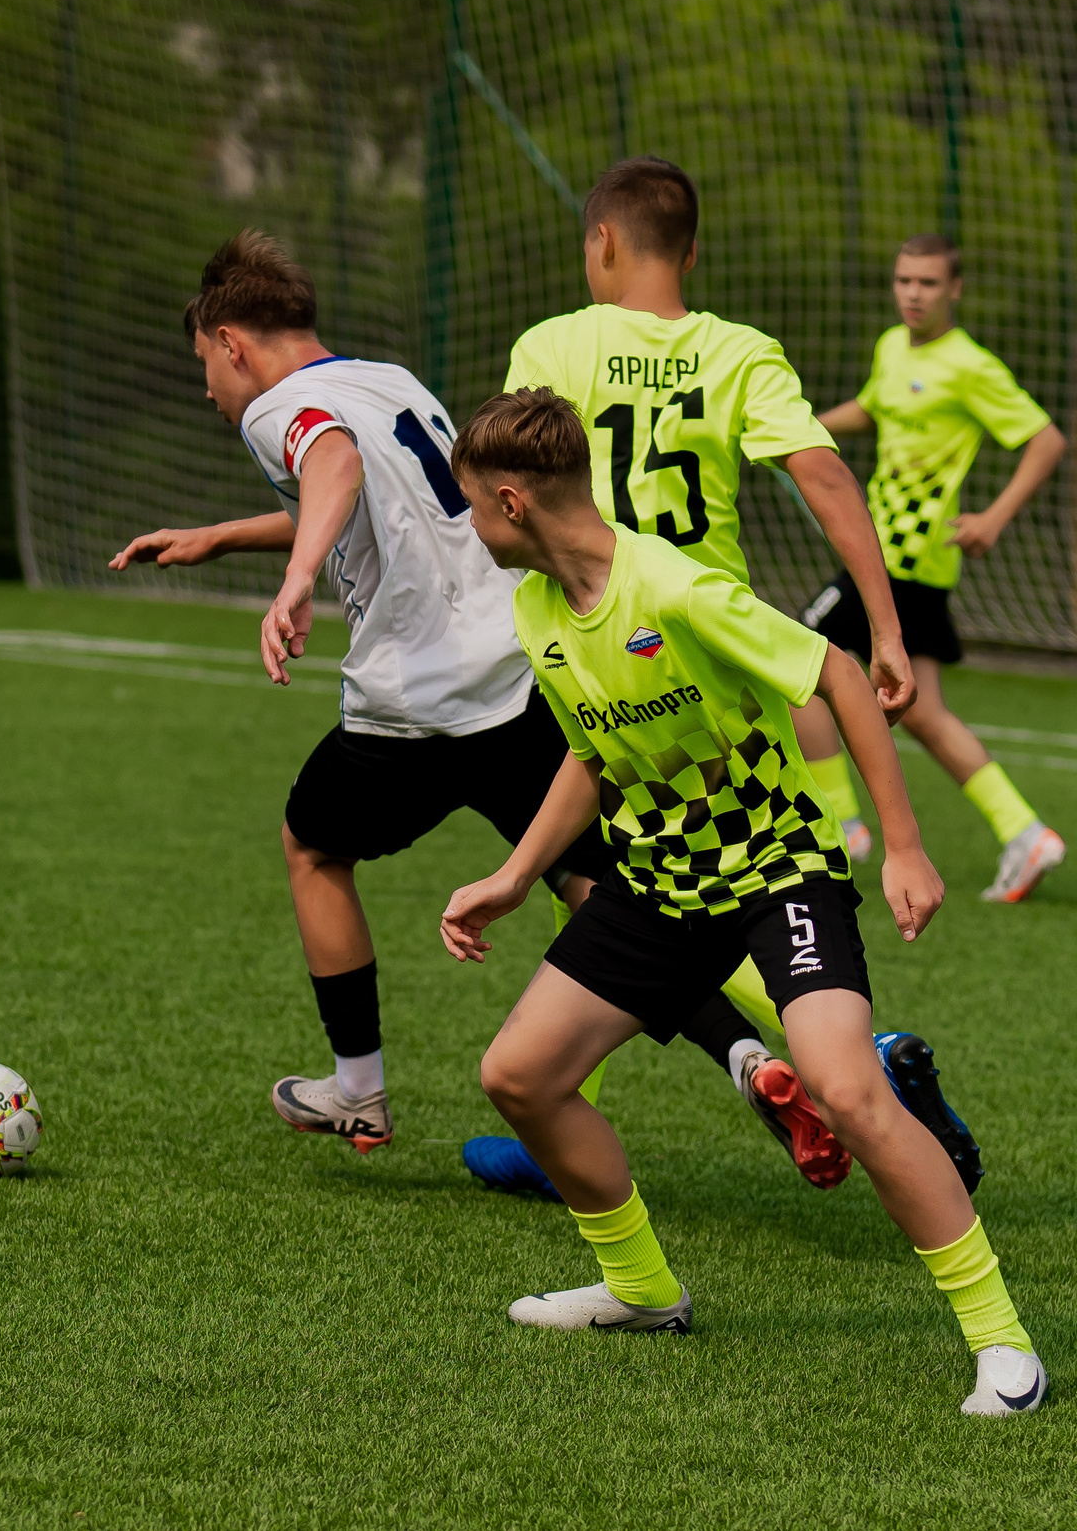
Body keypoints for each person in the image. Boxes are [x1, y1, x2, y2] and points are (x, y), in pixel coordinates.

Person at [106, 232, 835, 1181]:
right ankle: (751, 1059)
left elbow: (332, 465)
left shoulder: (277, 409)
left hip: (410, 706)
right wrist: (222, 537)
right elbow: (388, 504)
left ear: (232, 342)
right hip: (517, 678)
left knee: (312, 847)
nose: (208, 389)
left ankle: (357, 1087)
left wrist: (295, 581)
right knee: (603, 890)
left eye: (204, 363)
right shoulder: (392, 382)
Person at [438, 386, 1043, 1418]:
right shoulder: (539, 608)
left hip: (776, 869)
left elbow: (836, 673)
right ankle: (641, 1291)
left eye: (470, 505)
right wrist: (514, 874)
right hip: (655, 884)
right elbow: (593, 752)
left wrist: (903, 845)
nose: (468, 525)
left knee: (847, 1089)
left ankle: (1003, 1343)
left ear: (511, 501)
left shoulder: (675, 587)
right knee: (520, 1076)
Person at [463, 156, 976, 1198]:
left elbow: (518, 471)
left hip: (606, 635)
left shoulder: (553, 344)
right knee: (688, 869)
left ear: (602, 242)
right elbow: (823, 474)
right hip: (726, 656)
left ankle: (833, 1068)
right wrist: (883, 625)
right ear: (690, 253)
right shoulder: (738, 351)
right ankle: (795, 1065)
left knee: (648, 872)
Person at [794, 234, 1067, 903]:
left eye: (928, 283)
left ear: (955, 290)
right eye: (904, 280)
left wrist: (993, 518)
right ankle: (1024, 832)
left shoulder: (969, 365)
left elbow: (1046, 440)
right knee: (924, 713)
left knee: (797, 661)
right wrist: (800, 431)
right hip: (889, 555)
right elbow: (874, 408)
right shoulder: (892, 346)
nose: (913, 294)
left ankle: (841, 825)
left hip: (907, 557)